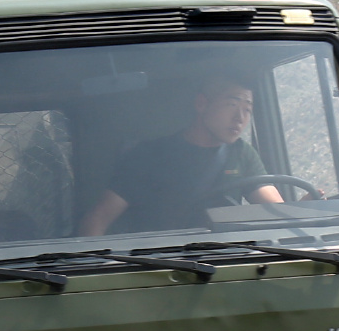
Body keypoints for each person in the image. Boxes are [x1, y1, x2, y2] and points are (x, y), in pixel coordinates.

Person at [78, 77, 284, 237]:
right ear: (201, 104)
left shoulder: (241, 153)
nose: (240, 118)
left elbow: (276, 212)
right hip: (162, 262)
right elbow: (99, 218)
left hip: (225, 259)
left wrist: (296, 212)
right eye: (232, 105)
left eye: (247, 110)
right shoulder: (148, 155)